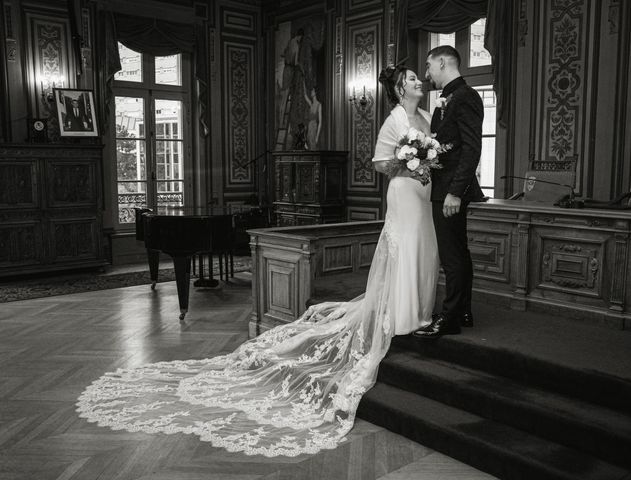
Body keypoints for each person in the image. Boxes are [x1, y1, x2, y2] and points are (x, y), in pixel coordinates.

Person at [75, 65, 439, 457]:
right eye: (413, 78)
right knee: (404, 249)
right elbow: (381, 163)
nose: (420, 81)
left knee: (424, 251)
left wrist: (426, 160)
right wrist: (408, 162)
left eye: (421, 77)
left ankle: (417, 310)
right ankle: (398, 314)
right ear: (400, 88)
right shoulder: (393, 120)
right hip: (404, 193)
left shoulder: (426, 116)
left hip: (424, 194)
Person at [413, 45, 485, 339]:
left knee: (451, 255)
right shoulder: (450, 98)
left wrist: (455, 192)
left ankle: (450, 318)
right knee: (459, 252)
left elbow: (472, 148)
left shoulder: (465, 96)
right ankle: (463, 311)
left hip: (451, 191)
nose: (427, 75)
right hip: (445, 187)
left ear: (443, 62)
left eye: (429, 67)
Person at [303, 84, 322, 150]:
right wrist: (303, 82)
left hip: (314, 128)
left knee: (313, 147)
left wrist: (317, 136)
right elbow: (305, 95)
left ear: (315, 93)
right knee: (309, 146)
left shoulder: (319, 105)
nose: (311, 92)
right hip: (309, 127)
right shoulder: (311, 104)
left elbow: (320, 123)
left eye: (312, 91)